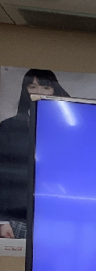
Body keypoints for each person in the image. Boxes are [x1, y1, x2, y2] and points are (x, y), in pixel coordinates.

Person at [0, 69, 70, 239]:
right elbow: (3, 176)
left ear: (55, 90)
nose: (39, 92)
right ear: (25, 90)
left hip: (59, 215)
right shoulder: (8, 127)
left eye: (46, 88)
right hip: (17, 218)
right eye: (32, 87)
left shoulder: (68, 128)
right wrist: (2, 220)